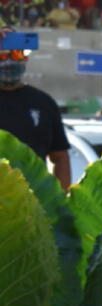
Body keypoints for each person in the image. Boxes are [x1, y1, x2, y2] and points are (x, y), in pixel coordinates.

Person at [0, 29, 71, 191]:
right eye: (2, 56)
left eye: (16, 55)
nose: (8, 62)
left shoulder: (44, 103)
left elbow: (60, 158)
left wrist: (59, 205)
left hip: (32, 204)